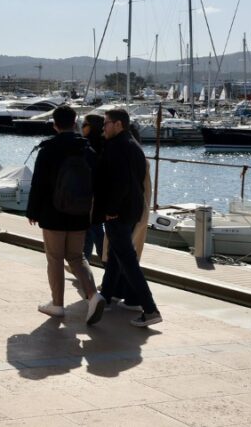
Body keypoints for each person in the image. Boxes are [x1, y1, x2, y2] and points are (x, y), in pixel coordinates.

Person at [25, 105, 104, 325]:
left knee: (55, 258)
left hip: (53, 213)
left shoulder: (48, 149)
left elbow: (38, 183)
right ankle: (93, 295)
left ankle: (57, 304)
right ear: (75, 121)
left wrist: (32, 211)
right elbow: (96, 183)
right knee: (77, 257)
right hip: (80, 213)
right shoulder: (87, 149)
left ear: (55, 124)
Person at [95, 109, 163, 327]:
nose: (103, 127)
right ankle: (105, 297)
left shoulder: (116, 147)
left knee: (128, 262)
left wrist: (111, 209)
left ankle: (150, 309)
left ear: (118, 124)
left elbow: (120, 182)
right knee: (116, 256)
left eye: (106, 123)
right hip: (132, 211)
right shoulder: (134, 146)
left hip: (118, 212)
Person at [81, 113, 106, 262]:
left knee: (93, 229)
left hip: (91, 195)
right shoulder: (105, 144)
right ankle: (84, 261)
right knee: (91, 229)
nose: (82, 127)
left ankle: (89, 262)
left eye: (84, 125)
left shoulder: (87, 147)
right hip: (101, 194)